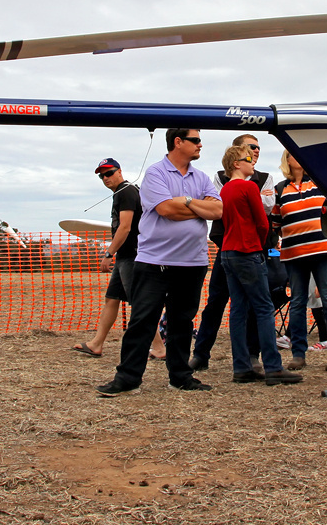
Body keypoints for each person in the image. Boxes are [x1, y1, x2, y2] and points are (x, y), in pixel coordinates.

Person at [96, 129, 222, 396]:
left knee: (183, 322)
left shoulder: (201, 177)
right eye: (196, 140)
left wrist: (187, 201)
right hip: (154, 262)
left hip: (193, 262)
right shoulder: (155, 173)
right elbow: (167, 210)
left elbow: (218, 211)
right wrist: (199, 207)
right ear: (178, 142)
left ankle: (180, 377)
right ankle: (128, 379)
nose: (201, 145)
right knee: (142, 320)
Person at [189, 133, 275, 371]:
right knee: (218, 301)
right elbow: (218, 205)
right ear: (236, 154)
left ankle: (251, 356)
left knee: (247, 305)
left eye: (258, 148)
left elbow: (270, 206)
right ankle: (201, 353)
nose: (256, 151)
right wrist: (256, 197)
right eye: (251, 148)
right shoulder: (220, 177)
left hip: (249, 248)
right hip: (230, 246)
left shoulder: (265, 177)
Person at [218, 144, 302, 385]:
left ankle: (241, 367)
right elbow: (262, 221)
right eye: (248, 158)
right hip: (248, 250)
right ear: (236, 164)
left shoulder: (224, 191)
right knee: (264, 308)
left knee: (238, 310)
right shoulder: (249, 187)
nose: (252, 162)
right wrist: (263, 242)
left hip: (228, 251)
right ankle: (274, 367)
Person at [72, 158, 165, 358]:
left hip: (132, 256)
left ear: (119, 171)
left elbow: (125, 226)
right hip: (126, 257)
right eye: (101, 175)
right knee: (112, 299)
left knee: (139, 304)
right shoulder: (124, 192)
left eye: (109, 173)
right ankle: (96, 344)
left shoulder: (126, 192)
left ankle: (159, 348)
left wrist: (108, 253)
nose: (105, 178)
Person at [273, 152, 327, 372]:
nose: (299, 157)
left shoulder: (321, 184)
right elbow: (276, 222)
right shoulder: (279, 190)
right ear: (287, 160)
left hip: (324, 250)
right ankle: (298, 354)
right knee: (297, 303)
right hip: (294, 254)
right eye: (293, 154)